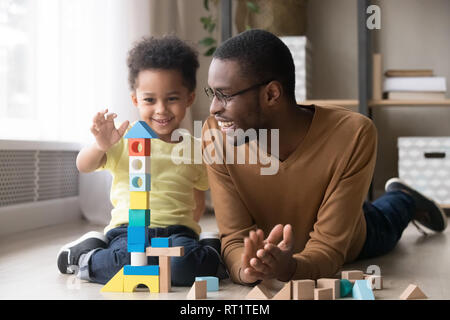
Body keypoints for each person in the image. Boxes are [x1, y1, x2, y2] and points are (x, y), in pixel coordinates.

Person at [201, 29, 448, 285]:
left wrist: (290, 268)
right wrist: (247, 269)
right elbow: (233, 237)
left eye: (225, 95)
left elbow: (330, 249)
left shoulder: (353, 134)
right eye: (213, 94)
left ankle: (404, 198)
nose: (213, 108)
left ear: (272, 94)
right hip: (291, 233)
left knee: (386, 220)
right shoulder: (214, 135)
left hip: (349, 235)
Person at [57, 35, 227, 286]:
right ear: (135, 99)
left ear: (189, 99)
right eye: (150, 100)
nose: (161, 109)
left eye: (172, 98)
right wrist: (101, 145)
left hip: (177, 232)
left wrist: (191, 229)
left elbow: (198, 196)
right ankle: (87, 252)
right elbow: (83, 165)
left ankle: (208, 248)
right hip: (128, 231)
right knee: (123, 264)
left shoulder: (195, 148)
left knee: (184, 268)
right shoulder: (122, 139)